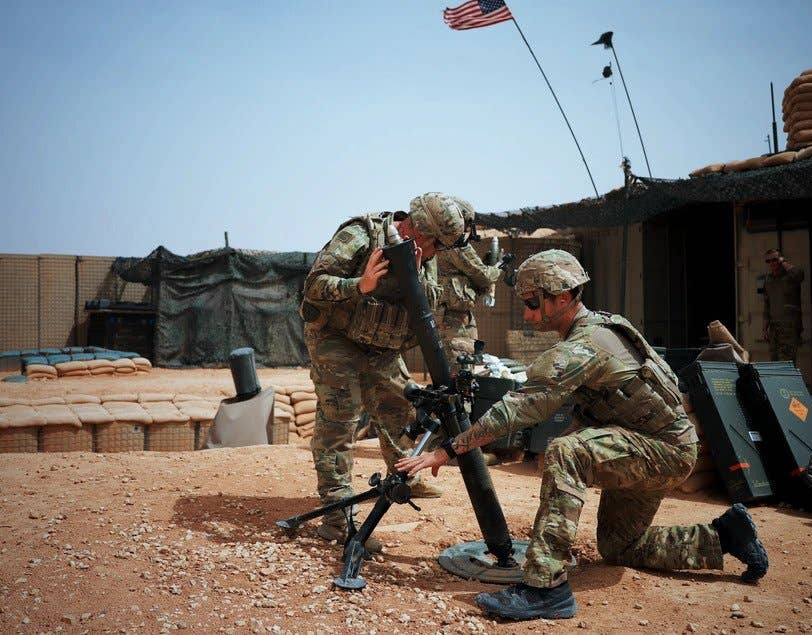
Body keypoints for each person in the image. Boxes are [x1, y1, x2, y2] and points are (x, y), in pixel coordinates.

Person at [397, 249, 769, 621]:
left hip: (662, 452)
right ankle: (725, 536)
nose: (526, 313)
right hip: (655, 443)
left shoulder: (581, 346)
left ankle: (545, 588)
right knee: (620, 546)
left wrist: (447, 451)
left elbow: (521, 407)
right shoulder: (606, 325)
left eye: (531, 302)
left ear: (561, 297)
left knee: (566, 452)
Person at [301, 192, 466, 552]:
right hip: (337, 337)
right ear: (422, 232)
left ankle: (404, 473)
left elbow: (428, 302)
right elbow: (313, 286)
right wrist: (358, 286)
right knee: (340, 419)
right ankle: (336, 517)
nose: (438, 252)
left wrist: (417, 275)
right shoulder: (361, 236)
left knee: (400, 408)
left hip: (382, 343)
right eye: (438, 244)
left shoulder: (424, 255)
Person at [434, 197, 502, 364]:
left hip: (440, 316)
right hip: (455, 322)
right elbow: (484, 275)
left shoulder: (435, 242)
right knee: (462, 369)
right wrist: (499, 267)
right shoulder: (456, 245)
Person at [762, 249, 805, 364]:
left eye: (775, 259)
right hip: (774, 328)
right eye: (768, 261)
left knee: (787, 363)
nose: (772, 263)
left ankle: (788, 383)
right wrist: (765, 327)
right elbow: (767, 304)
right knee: (775, 362)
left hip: (789, 327)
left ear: (780, 259)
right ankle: (778, 383)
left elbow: (799, 275)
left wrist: (784, 262)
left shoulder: (790, 277)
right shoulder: (768, 280)